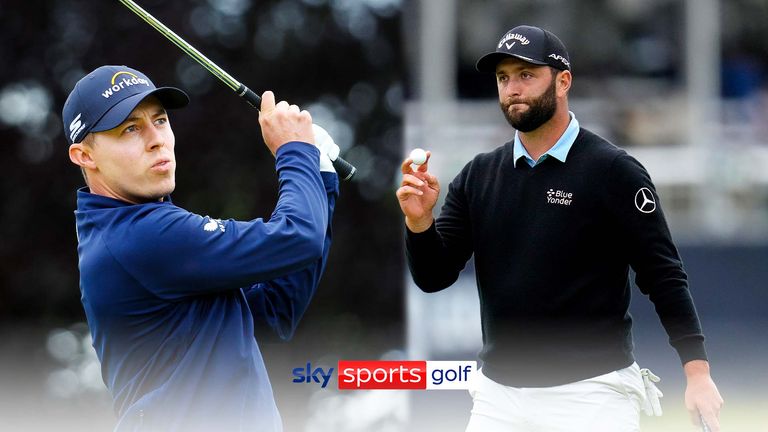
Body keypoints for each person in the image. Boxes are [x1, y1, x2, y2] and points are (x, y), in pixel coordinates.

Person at [397, 25, 723, 432]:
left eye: (526, 75)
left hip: (593, 395)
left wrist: (697, 374)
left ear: (563, 80)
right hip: (498, 398)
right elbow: (433, 276)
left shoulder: (613, 171)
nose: (512, 88)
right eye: (503, 78)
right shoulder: (478, 176)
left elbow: (663, 275)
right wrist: (419, 221)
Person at [63, 65, 339, 432]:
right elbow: (298, 237)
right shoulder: (141, 235)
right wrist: (294, 153)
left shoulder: (145, 233)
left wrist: (319, 175)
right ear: (85, 156)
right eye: (130, 128)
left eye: (160, 120)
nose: (156, 139)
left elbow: (273, 311)